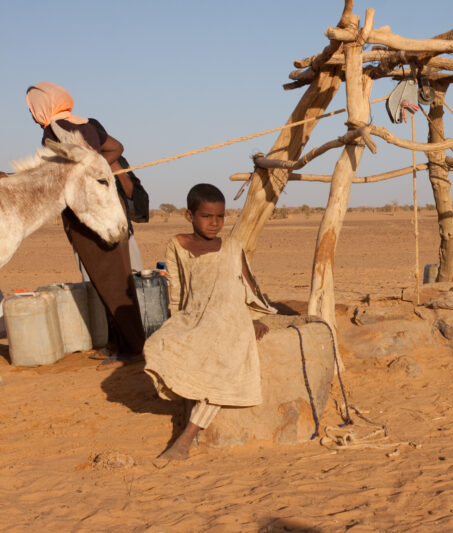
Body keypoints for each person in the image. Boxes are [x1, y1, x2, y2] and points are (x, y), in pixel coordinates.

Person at [144, 184, 276, 460]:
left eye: (220, 217)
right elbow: (178, 289)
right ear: (189, 216)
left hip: (230, 319)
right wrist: (178, 323)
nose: (215, 223)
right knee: (158, 345)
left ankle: (186, 438)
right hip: (195, 316)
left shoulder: (231, 247)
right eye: (207, 216)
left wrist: (253, 319)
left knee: (223, 364)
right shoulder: (177, 244)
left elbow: (248, 287)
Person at [25, 81, 146, 360]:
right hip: (108, 212)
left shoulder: (53, 131)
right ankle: (120, 345)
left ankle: (132, 350)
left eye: (33, 108)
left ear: (43, 107)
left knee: (110, 284)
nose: (32, 114)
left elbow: (54, 176)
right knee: (115, 281)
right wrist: (97, 167)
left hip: (88, 219)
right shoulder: (86, 123)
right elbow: (116, 147)